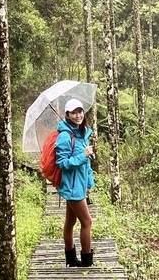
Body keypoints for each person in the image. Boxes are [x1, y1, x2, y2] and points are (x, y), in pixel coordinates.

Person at [55, 97, 94, 267]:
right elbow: (62, 163)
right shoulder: (65, 136)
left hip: (79, 185)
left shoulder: (82, 133)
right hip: (71, 187)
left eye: (80, 111)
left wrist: (89, 184)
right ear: (67, 114)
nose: (78, 115)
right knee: (87, 222)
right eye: (74, 112)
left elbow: (87, 164)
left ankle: (70, 258)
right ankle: (86, 261)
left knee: (70, 222)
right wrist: (82, 155)